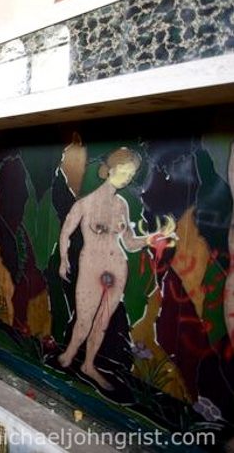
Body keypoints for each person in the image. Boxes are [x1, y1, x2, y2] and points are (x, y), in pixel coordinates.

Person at [57, 147, 175, 390]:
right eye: (124, 171)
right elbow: (66, 232)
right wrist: (63, 259)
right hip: (92, 266)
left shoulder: (121, 205)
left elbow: (129, 243)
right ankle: (68, 355)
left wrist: (152, 238)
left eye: (131, 175)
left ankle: (88, 364)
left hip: (117, 267)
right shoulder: (85, 204)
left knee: (102, 322)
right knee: (84, 320)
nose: (127, 178)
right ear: (110, 170)